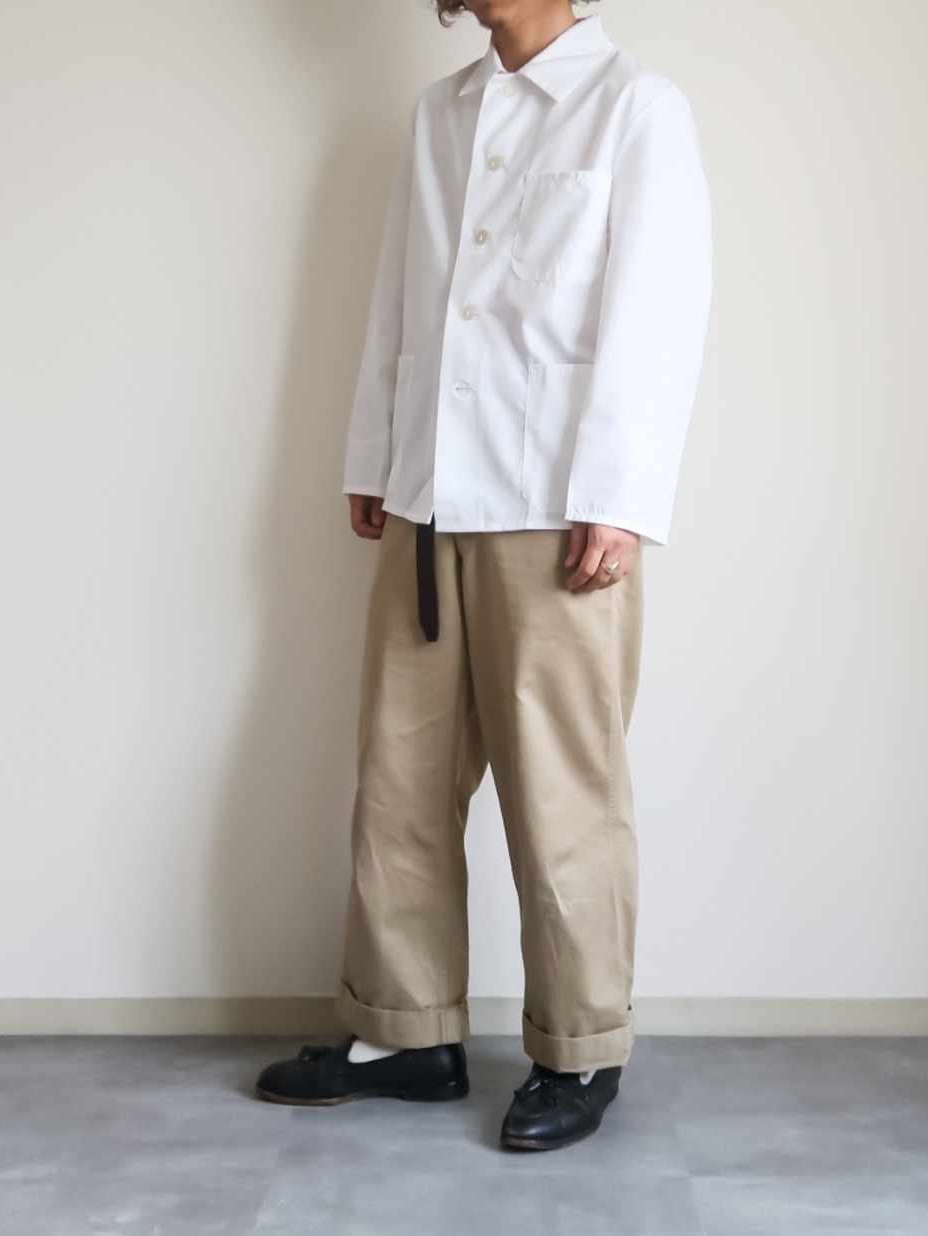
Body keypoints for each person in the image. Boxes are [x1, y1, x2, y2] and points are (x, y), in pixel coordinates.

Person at [255, 0, 712, 1152]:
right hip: (427, 494)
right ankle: (404, 1034)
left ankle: (579, 1048)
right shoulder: (438, 113)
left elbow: (657, 316)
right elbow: (401, 297)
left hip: (555, 513)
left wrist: (617, 498)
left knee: (562, 793)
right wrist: (375, 453)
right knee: (397, 779)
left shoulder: (635, 110)